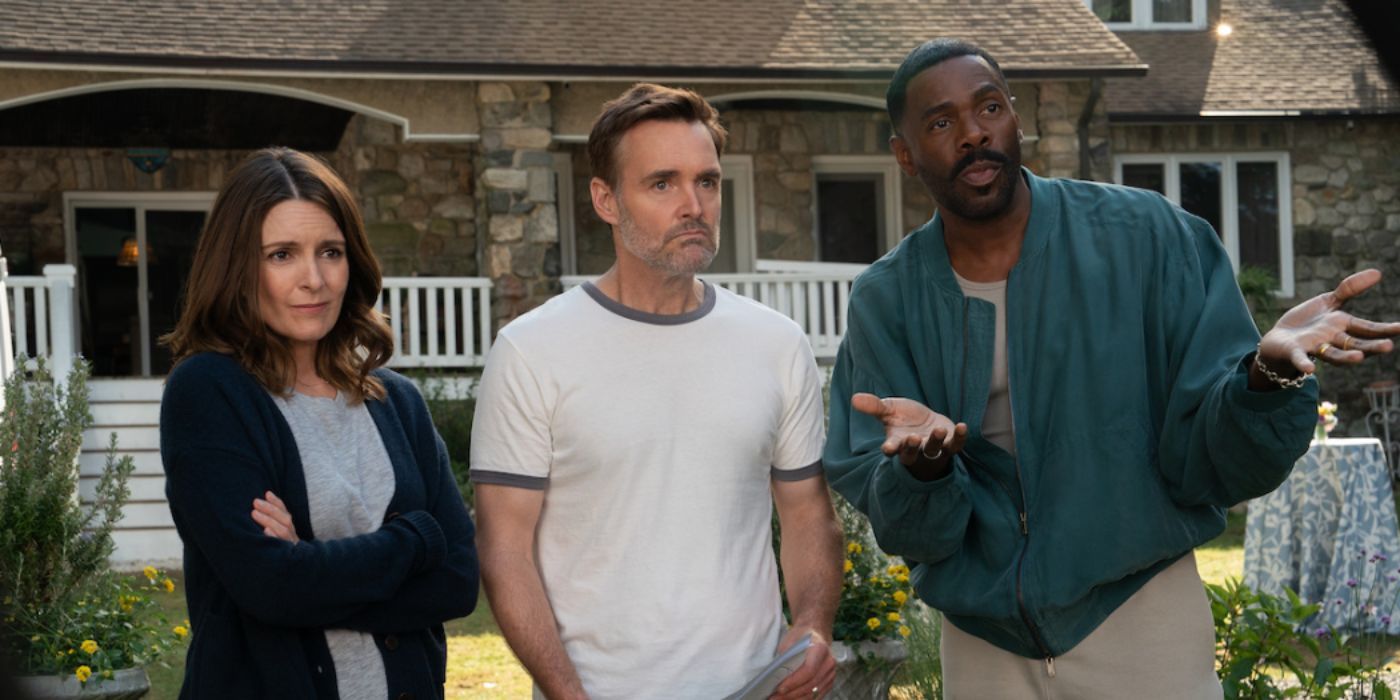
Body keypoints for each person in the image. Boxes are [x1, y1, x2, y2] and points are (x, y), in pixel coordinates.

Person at [823, 38, 1400, 698]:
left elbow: (1215, 459)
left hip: (1141, 616)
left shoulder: (1148, 238)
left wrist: (1264, 378)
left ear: (1016, 117)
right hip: (984, 644)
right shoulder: (888, 300)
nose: (973, 133)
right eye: (941, 122)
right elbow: (908, 524)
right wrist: (922, 468)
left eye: (989, 108)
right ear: (904, 154)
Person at [471, 83, 843, 700]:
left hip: (756, 689)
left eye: (708, 182)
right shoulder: (532, 350)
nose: (694, 205)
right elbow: (504, 549)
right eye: (663, 183)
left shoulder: (776, 343)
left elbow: (808, 514)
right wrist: (568, 695)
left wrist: (812, 625)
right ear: (606, 199)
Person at [159, 147, 479, 699]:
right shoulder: (209, 393)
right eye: (281, 255)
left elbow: (457, 582)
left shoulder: (398, 401)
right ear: (238, 267)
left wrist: (308, 565)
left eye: (330, 252)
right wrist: (416, 539)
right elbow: (270, 588)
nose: (314, 279)